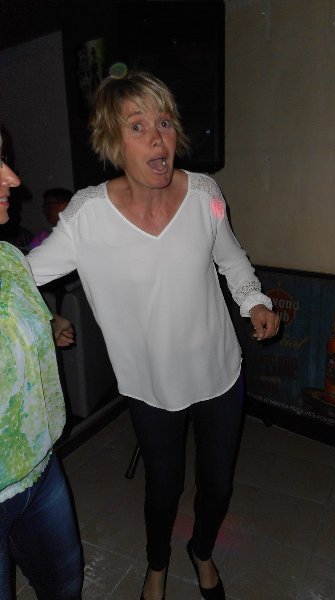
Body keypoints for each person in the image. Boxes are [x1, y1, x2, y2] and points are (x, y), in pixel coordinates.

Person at [27, 70, 279, 600]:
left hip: (219, 373)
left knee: (218, 485)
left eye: (164, 123)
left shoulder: (205, 194)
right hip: (151, 386)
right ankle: (157, 565)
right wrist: (47, 315)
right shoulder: (87, 217)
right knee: (164, 489)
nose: (157, 139)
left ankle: (202, 552)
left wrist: (254, 300)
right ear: (112, 141)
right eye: (137, 126)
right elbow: (19, 279)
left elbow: (232, 260)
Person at [0, 139, 84, 598]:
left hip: (40, 467)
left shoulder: (10, 258)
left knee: (64, 586)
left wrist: (49, 324)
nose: (13, 179)